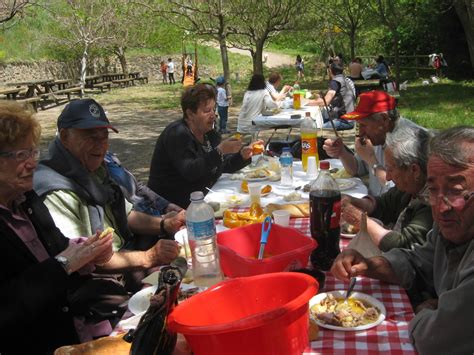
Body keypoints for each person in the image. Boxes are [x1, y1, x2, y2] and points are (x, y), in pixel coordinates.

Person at [331, 126, 474, 354]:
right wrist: (368, 265)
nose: (440, 205)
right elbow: (417, 260)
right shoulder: (449, 226)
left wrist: (422, 311)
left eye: (456, 190)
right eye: (433, 189)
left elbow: (432, 339)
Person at [0, 102, 126, 353]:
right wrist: (66, 263)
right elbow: (9, 305)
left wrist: (89, 251)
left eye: (33, 152)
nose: (33, 164)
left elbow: (59, 246)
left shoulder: (26, 200)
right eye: (20, 155)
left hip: (75, 329)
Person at [33, 99, 184, 274]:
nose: (100, 144)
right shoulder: (55, 190)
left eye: (104, 136)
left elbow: (126, 215)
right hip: (100, 274)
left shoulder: (94, 168)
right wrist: (148, 257)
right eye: (90, 136)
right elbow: (83, 258)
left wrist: (166, 223)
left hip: (128, 249)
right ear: (65, 137)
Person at [148, 84, 260, 208]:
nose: (213, 115)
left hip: (201, 200)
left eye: (214, 109)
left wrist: (242, 155)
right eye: (207, 111)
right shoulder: (177, 134)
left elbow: (220, 166)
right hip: (171, 208)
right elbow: (190, 171)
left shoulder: (210, 135)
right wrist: (220, 151)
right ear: (190, 114)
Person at [341, 125, 433, 251]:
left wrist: (360, 220)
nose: (388, 177)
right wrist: (354, 202)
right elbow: (384, 204)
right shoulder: (410, 187)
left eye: (390, 169)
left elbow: (404, 246)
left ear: (414, 170)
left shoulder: (432, 202)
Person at [323, 90, 423, 196]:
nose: (361, 132)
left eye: (364, 125)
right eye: (358, 126)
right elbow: (356, 169)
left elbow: (397, 190)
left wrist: (372, 161)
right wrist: (341, 152)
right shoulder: (378, 136)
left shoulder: (409, 142)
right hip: (376, 203)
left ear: (384, 119)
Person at [104, 151, 182, 216]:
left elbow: (137, 187)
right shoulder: (99, 174)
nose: (100, 143)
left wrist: (165, 205)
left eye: (104, 137)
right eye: (93, 137)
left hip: (151, 213)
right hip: (141, 222)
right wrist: (162, 220)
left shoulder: (109, 157)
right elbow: (127, 215)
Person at [308, 62, 356, 131]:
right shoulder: (345, 80)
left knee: (317, 129)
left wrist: (305, 102)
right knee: (322, 116)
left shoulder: (335, 82)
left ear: (330, 71)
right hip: (351, 118)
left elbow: (326, 102)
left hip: (345, 121)